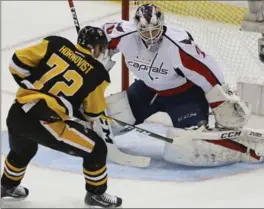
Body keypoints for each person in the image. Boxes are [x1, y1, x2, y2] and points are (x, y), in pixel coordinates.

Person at [100, 4, 264, 166]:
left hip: (184, 96)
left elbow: (208, 74)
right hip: (148, 91)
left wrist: (222, 103)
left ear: (162, 24)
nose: (151, 36)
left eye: (155, 30)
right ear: (137, 28)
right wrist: (91, 64)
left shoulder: (178, 46)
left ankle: (244, 150)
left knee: (184, 149)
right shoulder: (124, 35)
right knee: (104, 121)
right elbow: (99, 39)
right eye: (145, 31)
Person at [1, 26, 122, 208]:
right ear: (95, 48)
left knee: (23, 150)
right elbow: (92, 114)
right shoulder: (98, 73)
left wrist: (33, 86)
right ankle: (96, 194)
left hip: (16, 113)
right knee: (96, 148)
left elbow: (16, 63)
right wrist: (74, 105)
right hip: (44, 121)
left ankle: (7, 186)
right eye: (101, 48)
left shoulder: (55, 43)